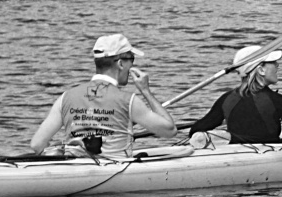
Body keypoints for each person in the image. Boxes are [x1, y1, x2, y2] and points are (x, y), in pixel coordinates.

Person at [29, 32, 178, 155]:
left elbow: (36, 145)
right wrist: (146, 91)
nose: (132, 65)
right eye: (131, 59)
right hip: (114, 172)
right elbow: (170, 131)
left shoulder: (65, 97)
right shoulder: (129, 101)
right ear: (120, 64)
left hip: (74, 167)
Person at [186, 46, 282, 147]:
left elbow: (194, 131)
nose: (277, 66)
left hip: (236, 153)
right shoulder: (277, 101)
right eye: (273, 63)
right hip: (267, 158)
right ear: (261, 69)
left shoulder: (226, 99)